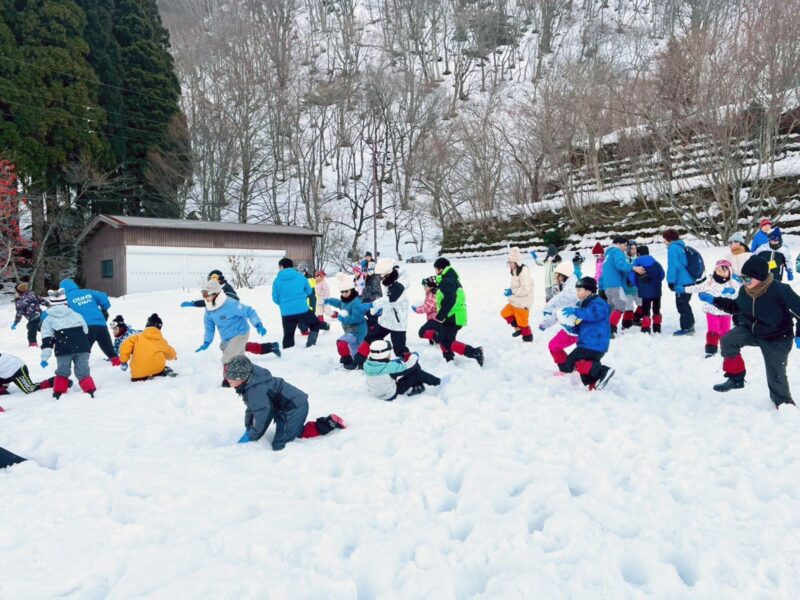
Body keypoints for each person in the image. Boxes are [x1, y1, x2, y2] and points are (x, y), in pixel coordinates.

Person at [699, 255, 799, 409]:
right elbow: (736, 307)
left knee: (775, 373)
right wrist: (714, 300)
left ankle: (784, 402)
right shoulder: (745, 291)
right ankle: (736, 378)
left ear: (760, 277)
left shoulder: (780, 290)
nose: (744, 282)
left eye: (748, 279)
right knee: (728, 340)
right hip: (753, 330)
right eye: (742, 278)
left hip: (777, 337)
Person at [225, 356, 345, 451]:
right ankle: (321, 424)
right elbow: (252, 408)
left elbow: (263, 415)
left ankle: (328, 424)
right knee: (293, 431)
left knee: (280, 445)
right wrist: (248, 428)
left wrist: (252, 435)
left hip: (294, 408)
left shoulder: (257, 390)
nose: (228, 381)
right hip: (287, 408)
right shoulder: (250, 383)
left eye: (231, 378)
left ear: (242, 377)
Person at [196, 279, 277, 384]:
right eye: (204, 295)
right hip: (226, 337)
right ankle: (249, 376)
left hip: (240, 333)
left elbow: (249, 311)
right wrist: (207, 341)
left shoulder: (230, 304)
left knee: (228, 357)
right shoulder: (209, 309)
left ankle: (228, 380)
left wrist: (258, 325)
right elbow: (209, 327)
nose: (205, 297)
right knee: (239, 358)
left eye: (208, 295)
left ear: (216, 294)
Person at [558, 277, 615, 390]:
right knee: (582, 366)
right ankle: (593, 384)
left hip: (595, 343)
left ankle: (603, 371)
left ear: (589, 291)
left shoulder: (599, 303)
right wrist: (571, 328)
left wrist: (576, 311)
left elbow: (591, 314)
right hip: (588, 342)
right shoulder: (584, 305)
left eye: (579, 290)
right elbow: (583, 325)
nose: (577, 293)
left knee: (571, 361)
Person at [40, 288, 96, 399]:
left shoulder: (48, 320)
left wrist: (44, 357)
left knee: (62, 371)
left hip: (63, 349)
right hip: (82, 347)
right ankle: (90, 390)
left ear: (51, 304)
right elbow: (85, 330)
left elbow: (47, 339)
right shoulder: (76, 314)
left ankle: (58, 393)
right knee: (83, 371)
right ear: (65, 302)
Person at [52, 278, 120, 365]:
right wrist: (104, 309)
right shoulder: (88, 292)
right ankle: (116, 361)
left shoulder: (66, 299)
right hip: (101, 325)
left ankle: (81, 366)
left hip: (85, 328)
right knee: (107, 346)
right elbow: (103, 297)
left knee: (83, 350)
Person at [430, 258, 484, 366]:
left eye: (435, 269)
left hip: (453, 316)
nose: (435, 271)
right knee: (443, 338)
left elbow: (449, 300)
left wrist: (440, 316)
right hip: (452, 315)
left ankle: (475, 352)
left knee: (447, 341)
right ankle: (449, 359)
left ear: (440, 269)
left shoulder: (447, 281)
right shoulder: (449, 279)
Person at [686, 259, 738, 357]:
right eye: (718, 271)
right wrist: (685, 289)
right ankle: (711, 348)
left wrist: (733, 292)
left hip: (726, 312)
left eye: (724, 271)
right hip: (711, 311)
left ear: (730, 271)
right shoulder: (710, 282)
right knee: (713, 330)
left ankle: (725, 347)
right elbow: (697, 288)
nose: (721, 273)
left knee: (725, 331)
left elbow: (738, 295)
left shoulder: (733, 283)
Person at [364, 340, 442, 400]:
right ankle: (439, 383)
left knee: (396, 372)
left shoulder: (367, 364)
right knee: (417, 372)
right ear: (383, 354)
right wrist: (414, 355)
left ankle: (418, 385)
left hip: (375, 392)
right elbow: (409, 365)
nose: (390, 354)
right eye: (389, 353)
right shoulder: (390, 368)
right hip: (389, 395)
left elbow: (385, 366)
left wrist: (398, 361)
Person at [271, 257, 321, 348]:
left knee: (288, 335)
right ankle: (311, 345)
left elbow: (275, 299)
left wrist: (284, 304)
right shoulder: (301, 277)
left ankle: (288, 354)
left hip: (286, 313)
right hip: (302, 310)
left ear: (282, 267)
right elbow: (309, 291)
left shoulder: (276, 281)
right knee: (316, 324)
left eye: (279, 267)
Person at [324, 274, 371, 369]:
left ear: (352, 290)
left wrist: (342, 319)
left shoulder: (356, 302)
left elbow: (357, 317)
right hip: (349, 330)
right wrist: (329, 300)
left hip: (358, 330)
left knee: (344, 343)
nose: (344, 293)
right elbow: (339, 303)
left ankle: (354, 362)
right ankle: (355, 362)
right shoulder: (345, 300)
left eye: (346, 291)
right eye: (342, 292)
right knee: (353, 348)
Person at [538, 262, 578, 368]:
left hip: (574, 329)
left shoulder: (570, 291)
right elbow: (560, 310)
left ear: (563, 275)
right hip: (571, 326)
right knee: (553, 345)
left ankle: (567, 367)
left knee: (554, 346)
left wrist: (548, 308)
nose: (556, 278)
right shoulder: (570, 286)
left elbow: (558, 308)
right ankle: (568, 366)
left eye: (557, 275)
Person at [118, 313, 178, 381]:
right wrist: (174, 356)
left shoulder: (135, 337)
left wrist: (124, 361)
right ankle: (164, 372)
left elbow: (124, 348)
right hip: (157, 371)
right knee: (164, 367)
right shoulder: (161, 340)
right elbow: (169, 353)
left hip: (138, 374)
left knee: (140, 371)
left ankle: (144, 375)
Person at [599, 236, 639, 336]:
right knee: (621, 306)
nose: (626, 248)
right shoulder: (616, 251)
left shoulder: (607, 255)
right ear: (618, 244)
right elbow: (620, 264)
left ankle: (604, 329)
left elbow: (603, 273)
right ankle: (610, 330)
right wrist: (633, 267)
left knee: (611, 307)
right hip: (615, 284)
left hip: (607, 286)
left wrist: (601, 286)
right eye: (625, 245)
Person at [662, 229, 696, 336]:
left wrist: (671, 281)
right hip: (689, 280)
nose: (664, 242)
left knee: (682, 304)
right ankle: (690, 324)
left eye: (665, 239)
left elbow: (673, 266)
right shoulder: (681, 247)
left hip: (682, 281)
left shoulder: (672, 248)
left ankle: (687, 327)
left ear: (669, 239)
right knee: (685, 303)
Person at [500, 247, 534, 342]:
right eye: (509, 263)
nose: (509, 265)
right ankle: (518, 329)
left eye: (511, 263)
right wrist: (510, 290)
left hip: (523, 303)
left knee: (523, 324)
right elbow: (515, 286)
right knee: (505, 313)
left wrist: (513, 291)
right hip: (515, 301)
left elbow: (525, 289)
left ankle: (527, 339)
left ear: (517, 262)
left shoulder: (524, 272)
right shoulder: (515, 271)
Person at [629, 245, 665, 334]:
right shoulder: (656, 263)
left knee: (646, 310)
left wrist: (638, 285)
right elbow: (662, 274)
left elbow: (632, 277)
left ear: (638, 253)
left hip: (644, 292)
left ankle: (645, 328)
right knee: (656, 309)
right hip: (656, 290)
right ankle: (657, 327)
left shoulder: (637, 264)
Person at [11, 282, 48, 347]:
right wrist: (50, 305)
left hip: (33, 317)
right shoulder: (33, 294)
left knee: (31, 329)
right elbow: (42, 301)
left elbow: (19, 313)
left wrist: (15, 322)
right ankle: (53, 338)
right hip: (40, 315)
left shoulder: (19, 300)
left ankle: (33, 343)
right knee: (43, 327)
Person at [413, 276, 439, 345]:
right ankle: (435, 340)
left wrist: (417, 309)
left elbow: (427, 308)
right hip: (435, 318)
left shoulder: (432, 294)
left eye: (425, 286)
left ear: (431, 286)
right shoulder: (433, 292)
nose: (424, 287)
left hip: (435, 319)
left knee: (422, 332)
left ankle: (439, 339)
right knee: (430, 331)